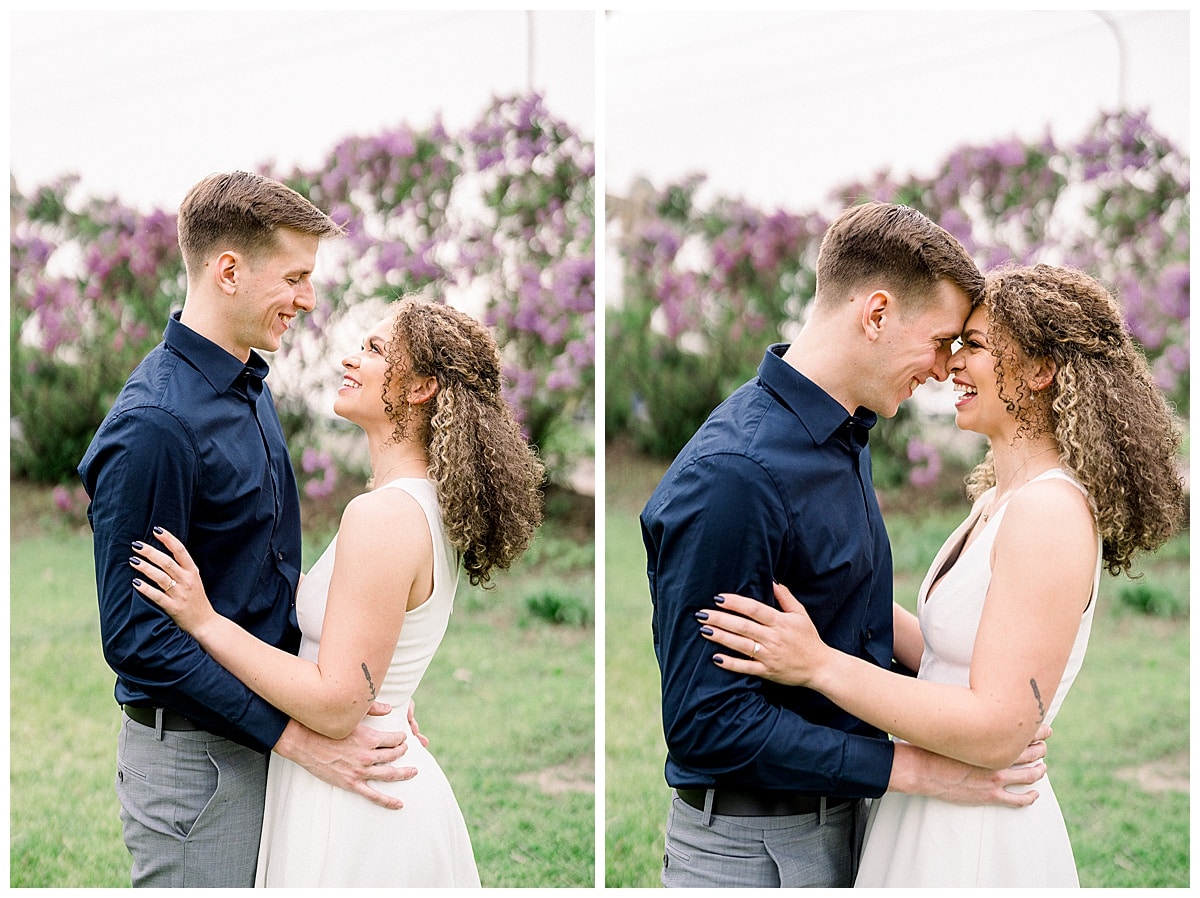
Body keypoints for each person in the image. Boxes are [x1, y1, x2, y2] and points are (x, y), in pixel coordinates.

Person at [699, 263, 1186, 886]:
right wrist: (822, 595)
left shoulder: (1050, 510)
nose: (952, 364)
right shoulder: (999, 500)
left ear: (1041, 370)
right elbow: (960, 656)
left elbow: (995, 730)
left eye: (976, 346)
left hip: (975, 834)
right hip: (928, 809)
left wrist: (818, 664)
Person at [641, 202, 1053, 889]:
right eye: (943, 338)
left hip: (854, 821)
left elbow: (852, 612)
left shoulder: (845, 434)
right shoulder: (735, 474)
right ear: (876, 314)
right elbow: (706, 724)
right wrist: (923, 771)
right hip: (755, 849)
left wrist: (993, 704)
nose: (946, 365)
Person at [78, 171, 421, 888]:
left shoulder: (248, 386)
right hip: (198, 767)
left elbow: (263, 583)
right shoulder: (156, 425)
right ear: (228, 271)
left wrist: (348, 704)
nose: (309, 298)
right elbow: (138, 640)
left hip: (268, 738)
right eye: (295, 276)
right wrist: (297, 738)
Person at [130, 297, 546, 886]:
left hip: (355, 801)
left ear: (422, 387)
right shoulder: (420, 504)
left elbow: (336, 702)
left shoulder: (383, 516)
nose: (352, 360)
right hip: (377, 767)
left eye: (376, 351)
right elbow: (361, 629)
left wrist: (205, 620)